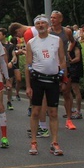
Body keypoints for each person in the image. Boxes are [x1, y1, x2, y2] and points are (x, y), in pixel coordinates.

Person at [25, 14, 67, 156]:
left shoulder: (57, 40)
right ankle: (34, 141)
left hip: (53, 80)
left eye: (43, 23)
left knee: (53, 112)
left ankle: (54, 142)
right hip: (37, 80)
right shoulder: (31, 42)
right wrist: (28, 86)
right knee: (36, 111)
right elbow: (28, 65)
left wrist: (63, 78)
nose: (41, 25)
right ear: (35, 26)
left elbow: (62, 60)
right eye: (38, 24)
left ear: (48, 25)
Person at [49, 11, 77, 131]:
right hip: (52, 64)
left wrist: (68, 52)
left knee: (66, 91)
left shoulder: (67, 31)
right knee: (51, 92)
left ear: (61, 19)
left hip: (65, 64)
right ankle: (50, 120)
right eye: (51, 18)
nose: (52, 20)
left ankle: (69, 119)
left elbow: (73, 41)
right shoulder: (48, 32)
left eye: (55, 18)